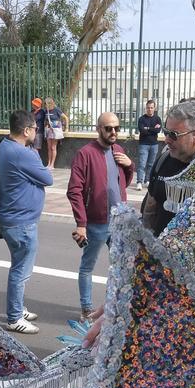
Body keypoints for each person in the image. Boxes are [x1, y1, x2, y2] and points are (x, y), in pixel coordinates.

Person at [68, 112, 134, 320]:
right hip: (95, 223)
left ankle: (109, 307)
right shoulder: (85, 153)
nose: (113, 132)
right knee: (87, 266)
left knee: (119, 267)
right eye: (108, 128)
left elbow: (125, 181)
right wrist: (81, 223)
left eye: (117, 128)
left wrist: (129, 165)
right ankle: (87, 309)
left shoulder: (119, 150)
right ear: (98, 129)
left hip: (118, 222)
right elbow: (74, 190)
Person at [0, 110, 53, 334]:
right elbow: (48, 178)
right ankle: (15, 317)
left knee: (19, 267)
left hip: (14, 219)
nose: (37, 132)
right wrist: (35, 155)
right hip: (21, 223)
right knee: (20, 270)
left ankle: (18, 307)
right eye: (35, 129)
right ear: (26, 130)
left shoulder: (4, 145)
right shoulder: (23, 154)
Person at [141, 100, 195, 237]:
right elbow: (150, 210)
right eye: (165, 132)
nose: (167, 139)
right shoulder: (163, 160)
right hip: (159, 253)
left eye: (173, 135)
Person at [135, 99, 162, 191]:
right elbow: (142, 131)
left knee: (151, 164)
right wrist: (152, 129)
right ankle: (139, 182)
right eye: (148, 108)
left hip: (154, 144)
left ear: (154, 108)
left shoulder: (157, 119)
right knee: (142, 164)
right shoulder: (141, 119)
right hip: (144, 144)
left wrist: (148, 128)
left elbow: (158, 130)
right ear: (145, 108)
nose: (149, 109)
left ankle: (147, 181)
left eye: (151, 108)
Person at [43, 97, 67, 169]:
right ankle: (49, 164)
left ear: (50, 103)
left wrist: (66, 128)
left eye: (46, 104)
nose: (45, 105)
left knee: (53, 147)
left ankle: (52, 165)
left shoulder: (56, 110)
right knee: (49, 147)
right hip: (48, 130)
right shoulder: (46, 111)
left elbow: (65, 118)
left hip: (55, 130)